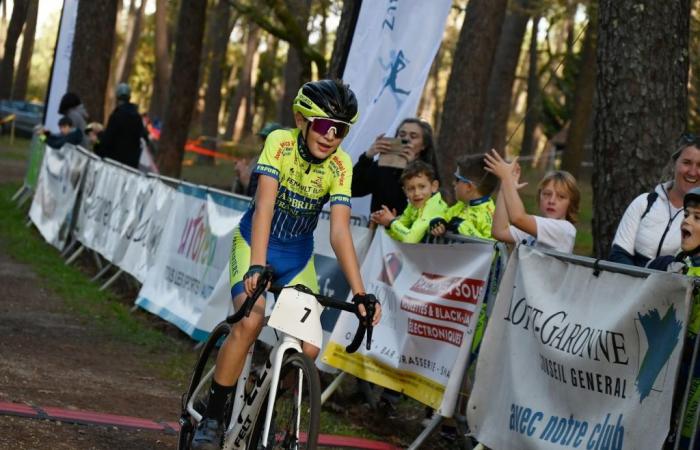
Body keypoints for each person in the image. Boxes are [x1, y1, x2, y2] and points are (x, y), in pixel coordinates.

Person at [191, 79, 382, 449]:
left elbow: (340, 232)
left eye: (340, 130)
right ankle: (213, 416)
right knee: (250, 321)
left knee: (309, 348)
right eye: (324, 126)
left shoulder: (341, 165)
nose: (331, 137)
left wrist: (360, 293)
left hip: (296, 258)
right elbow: (264, 206)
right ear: (301, 120)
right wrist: (256, 266)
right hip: (254, 244)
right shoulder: (279, 142)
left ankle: (262, 395)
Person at [610, 133, 700, 267]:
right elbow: (618, 254)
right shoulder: (644, 202)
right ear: (674, 163)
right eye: (687, 163)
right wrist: (639, 283)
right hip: (628, 284)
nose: (692, 172)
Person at [485, 149, 580, 253]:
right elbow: (499, 232)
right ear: (539, 196)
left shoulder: (565, 229)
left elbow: (518, 218)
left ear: (571, 203)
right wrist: (506, 186)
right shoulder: (533, 227)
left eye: (561, 197)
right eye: (547, 194)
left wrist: (506, 178)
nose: (552, 201)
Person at [352, 117, 439, 216]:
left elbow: (430, 207)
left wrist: (412, 167)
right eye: (402, 134)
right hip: (378, 228)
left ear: (423, 145)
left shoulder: (430, 173)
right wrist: (367, 157)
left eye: (413, 136)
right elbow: (352, 189)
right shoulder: (384, 166)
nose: (406, 139)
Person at [371, 160, 448, 243]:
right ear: (405, 191)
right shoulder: (413, 205)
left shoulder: (432, 208)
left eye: (422, 187)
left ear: (434, 186)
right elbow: (397, 235)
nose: (416, 193)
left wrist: (392, 222)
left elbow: (410, 239)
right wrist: (389, 224)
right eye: (411, 189)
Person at [431, 153, 498, 240]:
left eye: (457, 180)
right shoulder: (461, 205)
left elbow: (495, 248)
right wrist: (438, 221)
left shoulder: (491, 215)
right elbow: (445, 216)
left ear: (469, 187)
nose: (453, 183)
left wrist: (462, 226)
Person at [96, 83, 146, 169]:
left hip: (113, 164)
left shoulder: (116, 116)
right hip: (130, 167)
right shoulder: (137, 118)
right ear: (129, 97)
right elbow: (141, 139)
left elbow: (108, 139)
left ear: (117, 97)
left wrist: (98, 146)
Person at [233, 122, 284, 197]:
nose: (264, 143)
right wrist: (239, 176)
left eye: (269, 139)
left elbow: (260, 195)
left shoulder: (281, 165)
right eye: (263, 139)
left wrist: (244, 178)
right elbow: (240, 194)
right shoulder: (257, 159)